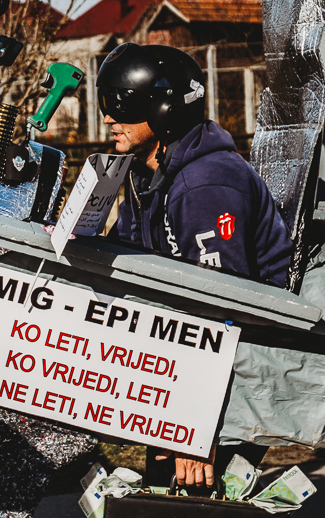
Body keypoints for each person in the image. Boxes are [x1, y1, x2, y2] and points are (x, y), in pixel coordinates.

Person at [97, 42, 293, 494]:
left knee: (197, 505)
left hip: (244, 366)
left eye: (120, 105)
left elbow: (221, 311)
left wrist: (196, 430)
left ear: (164, 109)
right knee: (169, 502)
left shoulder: (205, 185)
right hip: (181, 359)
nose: (108, 117)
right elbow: (126, 262)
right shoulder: (146, 173)